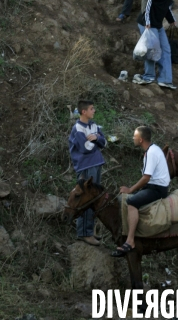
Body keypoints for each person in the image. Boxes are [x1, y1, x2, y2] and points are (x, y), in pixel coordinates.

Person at [112, 125, 170, 256]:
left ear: (141, 140)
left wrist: (130, 189)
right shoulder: (153, 149)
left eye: (135, 136)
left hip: (157, 189)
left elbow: (146, 178)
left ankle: (130, 241)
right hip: (153, 186)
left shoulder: (151, 153)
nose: (133, 138)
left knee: (132, 202)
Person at [133, 0, 178, 90]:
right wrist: (147, 21)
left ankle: (165, 80)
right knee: (152, 50)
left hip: (158, 24)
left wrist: (171, 20)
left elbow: (166, 7)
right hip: (148, 23)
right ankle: (148, 76)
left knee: (166, 48)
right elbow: (146, 2)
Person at [69, 99, 107, 246]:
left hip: (96, 163)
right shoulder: (77, 128)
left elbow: (104, 143)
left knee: (93, 198)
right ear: (84, 111)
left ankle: (89, 230)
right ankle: (83, 232)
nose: (94, 111)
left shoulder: (94, 126)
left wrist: (97, 138)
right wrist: (96, 142)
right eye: (91, 109)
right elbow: (85, 148)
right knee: (84, 197)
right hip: (85, 165)